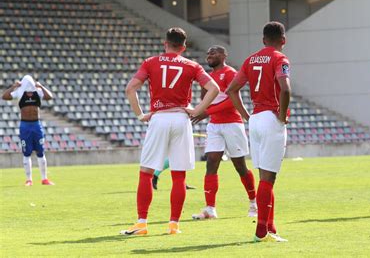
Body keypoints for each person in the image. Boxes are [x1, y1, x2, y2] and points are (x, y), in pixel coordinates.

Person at [121, 27, 219, 235]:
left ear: (165, 43)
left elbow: (131, 88)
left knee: (146, 172)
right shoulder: (192, 65)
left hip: (159, 117)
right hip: (181, 118)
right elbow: (214, 89)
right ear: (183, 47)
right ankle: (173, 225)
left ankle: (141, 223)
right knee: (178, 175)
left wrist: (140, 115)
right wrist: (198, 110)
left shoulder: (151, 62)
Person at [226, 21, 291, 242]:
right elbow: (285, 88)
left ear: (263, 39)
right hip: (271, 119)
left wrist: (246, 116)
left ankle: (270, 227)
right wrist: (282, 115)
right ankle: (261, 231)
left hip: (255, 120)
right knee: (268, 178)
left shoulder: (250, 59)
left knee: (266, 176)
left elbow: (232, 90)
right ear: (283, 40)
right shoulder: (280, 59)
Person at [190, 45, 257, 220]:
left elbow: (232, 101)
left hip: (232, 124)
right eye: (208, 53)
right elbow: (205, 101)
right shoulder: (208, 77)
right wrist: (200, 108)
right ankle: (210, 208)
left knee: (240, 166)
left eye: (213, 52)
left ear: (224, 55)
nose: (209, 55)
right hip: (214, 126)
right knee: (211, 163)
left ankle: (253, 202)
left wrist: (207, 112)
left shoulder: (229, 73)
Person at [2, 75, 54, 186]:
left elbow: (50, 96)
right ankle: (29, 179)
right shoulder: (20, 92)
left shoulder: (38, 92)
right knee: (27, 153)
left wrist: (41, 86)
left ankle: (44, 179)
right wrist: (13, 86)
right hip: (25, 125)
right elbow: (4, 96)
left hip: (36, 124)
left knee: (40, 151)